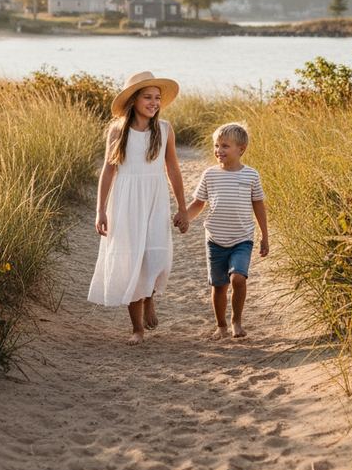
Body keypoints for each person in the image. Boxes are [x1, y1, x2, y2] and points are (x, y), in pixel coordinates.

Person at [88, 71, 189, 345]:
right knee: (131, 260)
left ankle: (149, 298)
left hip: (155, 199)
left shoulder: (165, 129)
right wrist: (101, 210)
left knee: (155, 256)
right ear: (133, 100)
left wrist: (182, 206)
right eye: (148, 97)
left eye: (157, 98)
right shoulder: (118, 131)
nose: (154, 102)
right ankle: (137, 329)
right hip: (125, 201)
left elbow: (173, 169)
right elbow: (108, 171)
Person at [186, 123, 269, 339]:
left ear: (241, 149)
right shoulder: (210, 175)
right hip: (215, 239)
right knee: (219, 286)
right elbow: (198, 203)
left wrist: (265, 237)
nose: (218, 150)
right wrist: (184, 217)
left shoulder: (251, 175)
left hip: (242, 238)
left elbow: (258, 205)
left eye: (225, 146)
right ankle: (221, 325)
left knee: (238, 279)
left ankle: (236, 321)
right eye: (216, 145)